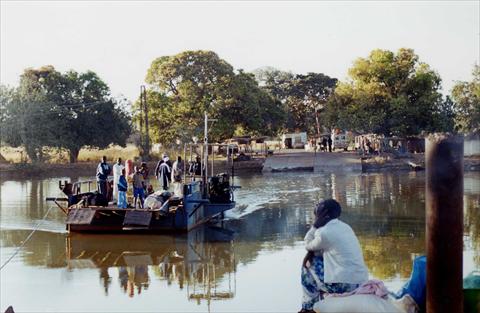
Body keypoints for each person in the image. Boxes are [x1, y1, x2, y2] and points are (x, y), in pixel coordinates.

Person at [299, 199, 368, 313]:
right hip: (359, 281)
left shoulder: (324, 233)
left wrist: (315, 225)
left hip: (345, 285)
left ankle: (308, 307)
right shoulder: (345, 227)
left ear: (324, 213)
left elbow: (308, 245)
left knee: (308, 264)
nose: (316, 207)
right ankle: (319, 299)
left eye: (319, 206)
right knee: (318, 258)